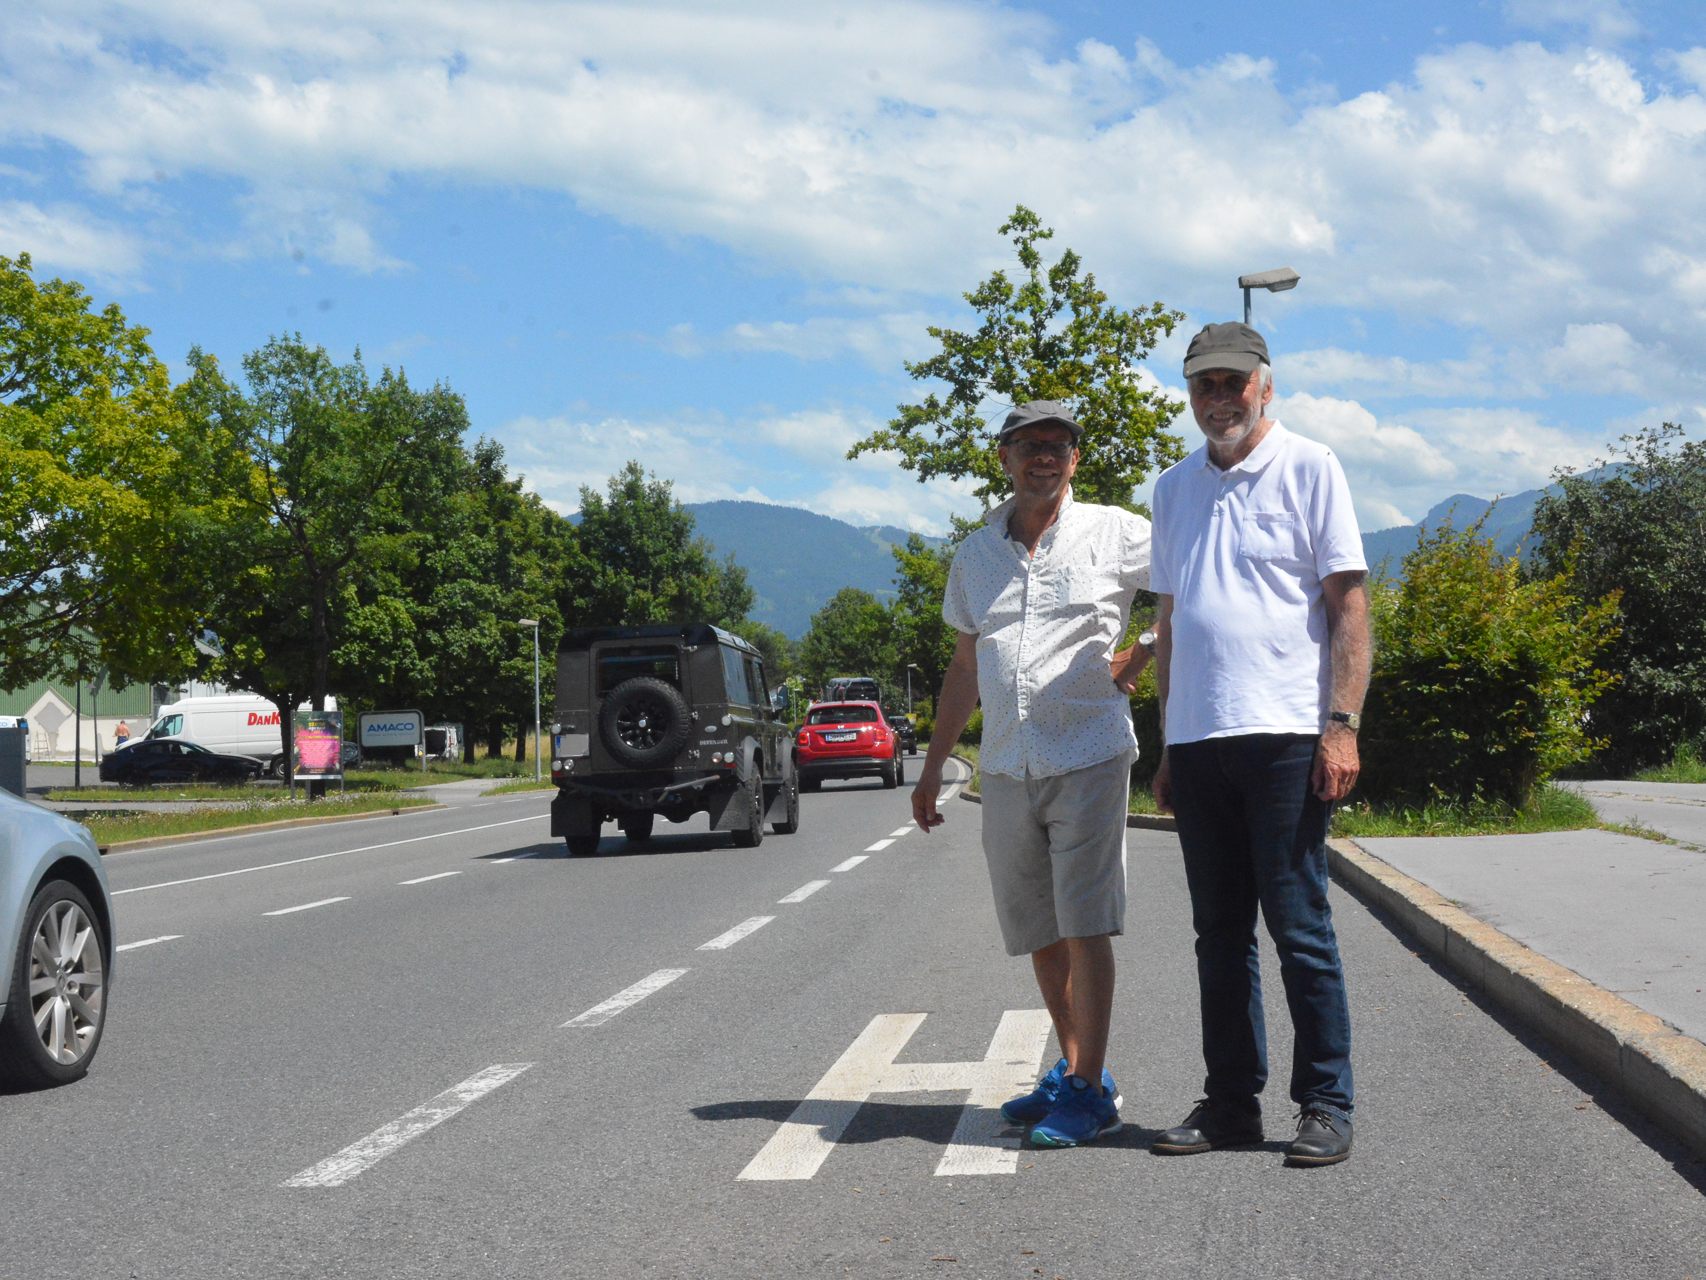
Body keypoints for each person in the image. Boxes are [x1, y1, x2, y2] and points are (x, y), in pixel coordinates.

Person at [1147, 322, 1371, 1167]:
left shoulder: (1311, 466)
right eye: (1203, 384)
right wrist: (1167, 744)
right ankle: (1231, 1104)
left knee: (1299, 925)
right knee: (1218, 934)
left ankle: (1326, 1102)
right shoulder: (1171, 489)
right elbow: (1168, 626)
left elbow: (1347, 606)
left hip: (1285, 736)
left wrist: (1340, 725)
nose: (1218, 398)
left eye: (1233, 382)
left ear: (1265, 386)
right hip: (1201, 742)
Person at [912, 399, 1153, 1149]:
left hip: (1088, 751)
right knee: (1041, 930)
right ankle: (1082, 1070)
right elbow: (962, 666)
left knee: (1085, 921)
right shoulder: (974, 554)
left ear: (1076, 460)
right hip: (1009, 766)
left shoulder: (1116, 532)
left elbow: (1193, 586)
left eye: (1060, 445)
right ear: (1003, 457)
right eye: (1029, 445)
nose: (1045, 456)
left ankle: (1085, 1088)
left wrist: (1141, 652)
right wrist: (931, 770)